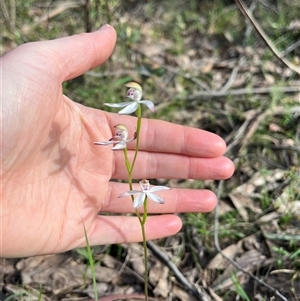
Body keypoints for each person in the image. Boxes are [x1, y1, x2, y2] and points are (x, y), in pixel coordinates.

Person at [0, 24, 234, 258]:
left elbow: (148, 189)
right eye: (129, 94)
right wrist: (120, 139)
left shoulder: (141, 109)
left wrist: (128, 148)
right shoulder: (121, 131)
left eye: (133, 93)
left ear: (139, 96)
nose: (130, 96)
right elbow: (116, 145)